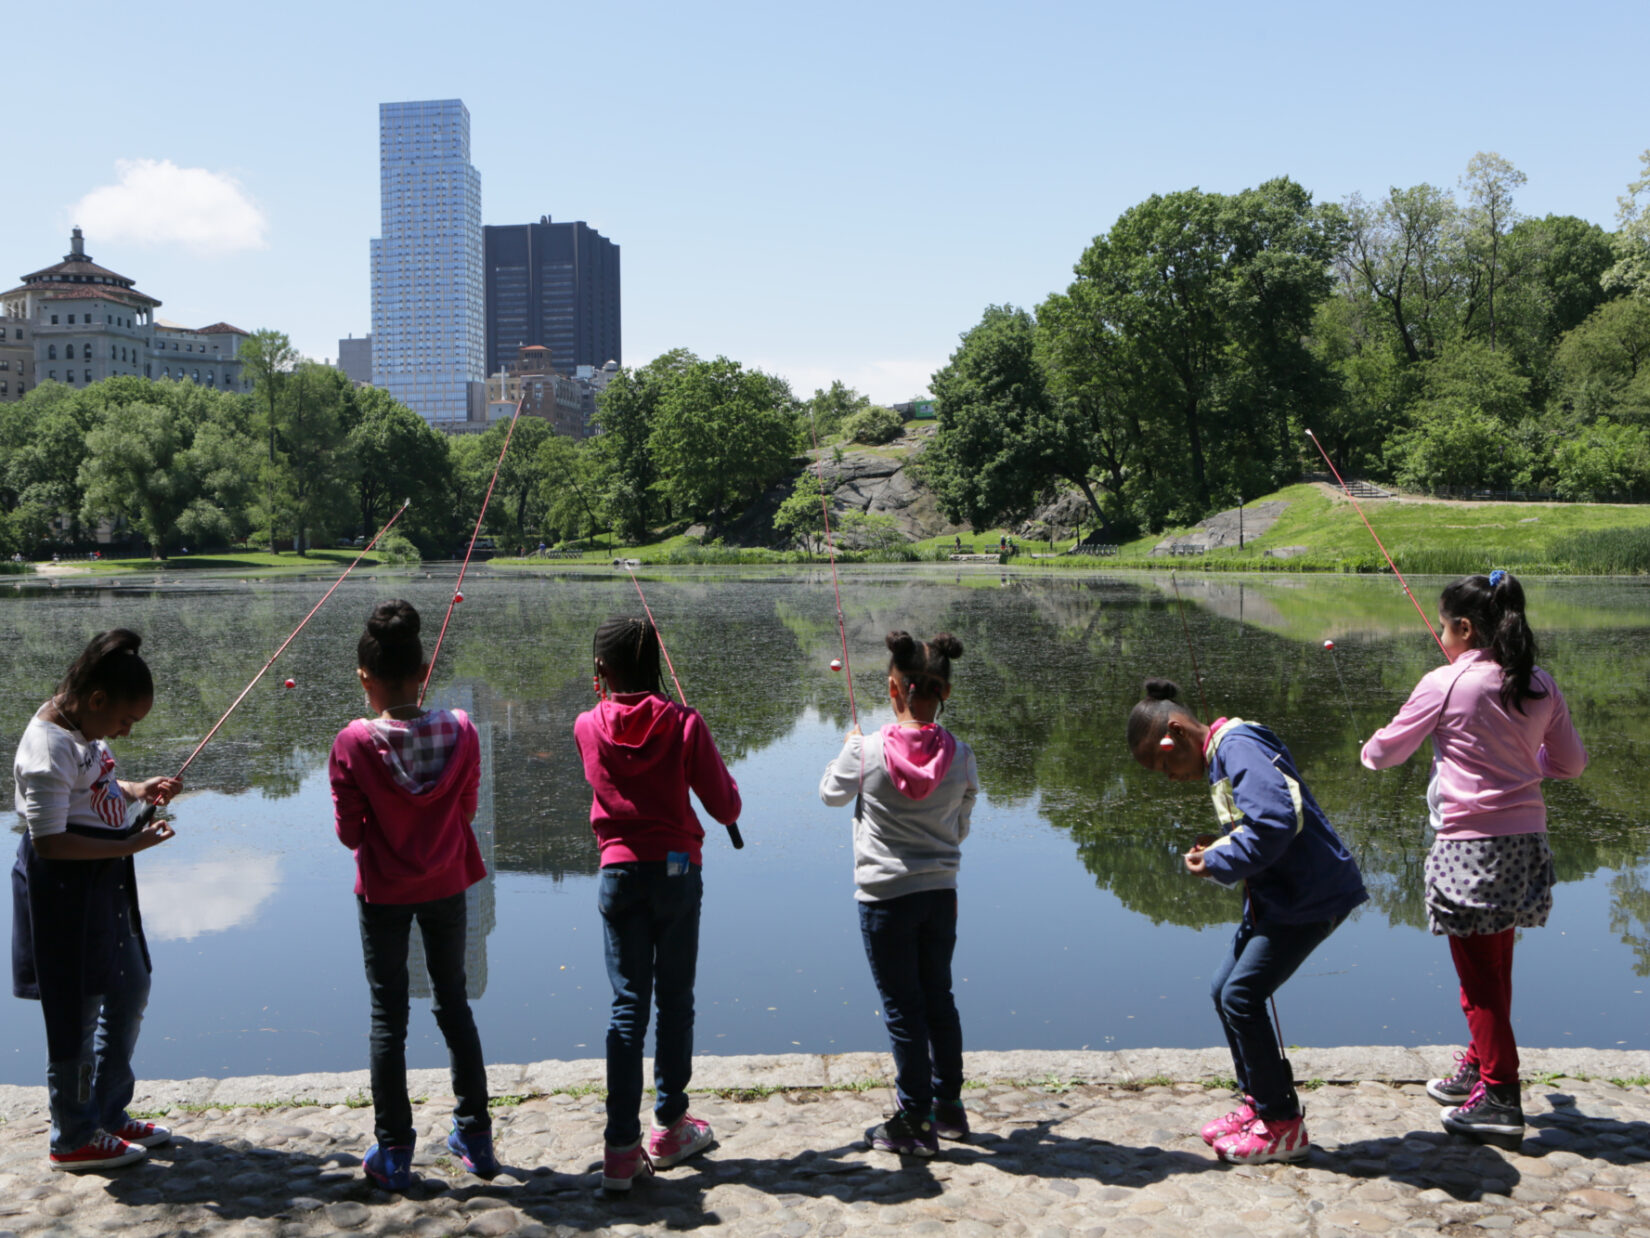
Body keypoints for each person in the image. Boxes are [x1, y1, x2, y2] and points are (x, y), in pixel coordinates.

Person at [1361, 570, 1586, 1150]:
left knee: (1478, 979)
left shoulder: (1446, 682)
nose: (1441, 635)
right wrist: (1521, 758)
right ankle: (1477, 1066)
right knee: (1497, 965)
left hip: (1468, 847)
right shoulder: (1539, 682)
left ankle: (1501, 1097)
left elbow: (1386, 753)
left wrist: (1369, 749)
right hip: (1526, 844)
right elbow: (1569, 765)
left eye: (1443, 626)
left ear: (1463, 627)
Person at [1127, 679, 1366, 1164]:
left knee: (1242, 995)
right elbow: (1257, 825)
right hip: (1281, 900)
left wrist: (1218, 863)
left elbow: (1277, 822)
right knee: (1224, 990)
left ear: (1176, 731)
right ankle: (1259, 1101)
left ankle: (1282, 1124)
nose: (1170, 777)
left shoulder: (1237, 746)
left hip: (1311, 898)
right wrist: (1220, 847)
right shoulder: (1225, 752)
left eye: (1165, 763)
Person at [329, 601, 498, 1191]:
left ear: (364, 679)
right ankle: (476, 1137)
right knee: (454, 1003)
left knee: (388, 1014)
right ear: (423, 671)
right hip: (448, 881)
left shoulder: (352, 742)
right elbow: (468, 809)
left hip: (384, 891)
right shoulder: (462, 727)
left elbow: (350, 832)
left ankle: (395, 1150)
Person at [576, 617, 742, 1190]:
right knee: (674, 1000)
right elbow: (725, 807)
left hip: (619, 872)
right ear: (657, 665)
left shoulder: (585, 725)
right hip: (676, 872)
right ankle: (670, 1127)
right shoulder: (683, 723)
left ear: (602, 672)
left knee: (628, 1005)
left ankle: (620, 1149)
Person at [11, 630, 181, 1172]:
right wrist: (131, 843)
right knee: (77, 1012)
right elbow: (50, 842)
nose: (126, 732)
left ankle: (108, 1111)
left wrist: (135, 789)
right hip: (65, 893)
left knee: (131, 987)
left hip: (104, 880)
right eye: (126, 722)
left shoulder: (81, 730)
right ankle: (73, 1135)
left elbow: (98, 786)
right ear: (98, 700)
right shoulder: (48, 747)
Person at [820, 632, 979, 1158]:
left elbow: (828, 794)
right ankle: (949, 1107)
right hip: (941, 894)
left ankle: (914, 1118)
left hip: (885, 898)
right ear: (945, 693)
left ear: (894, 688)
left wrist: (848, 746)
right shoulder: (962, 755)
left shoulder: (866, 751)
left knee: (902, 1010)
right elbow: (960, 827)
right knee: (939, 999)